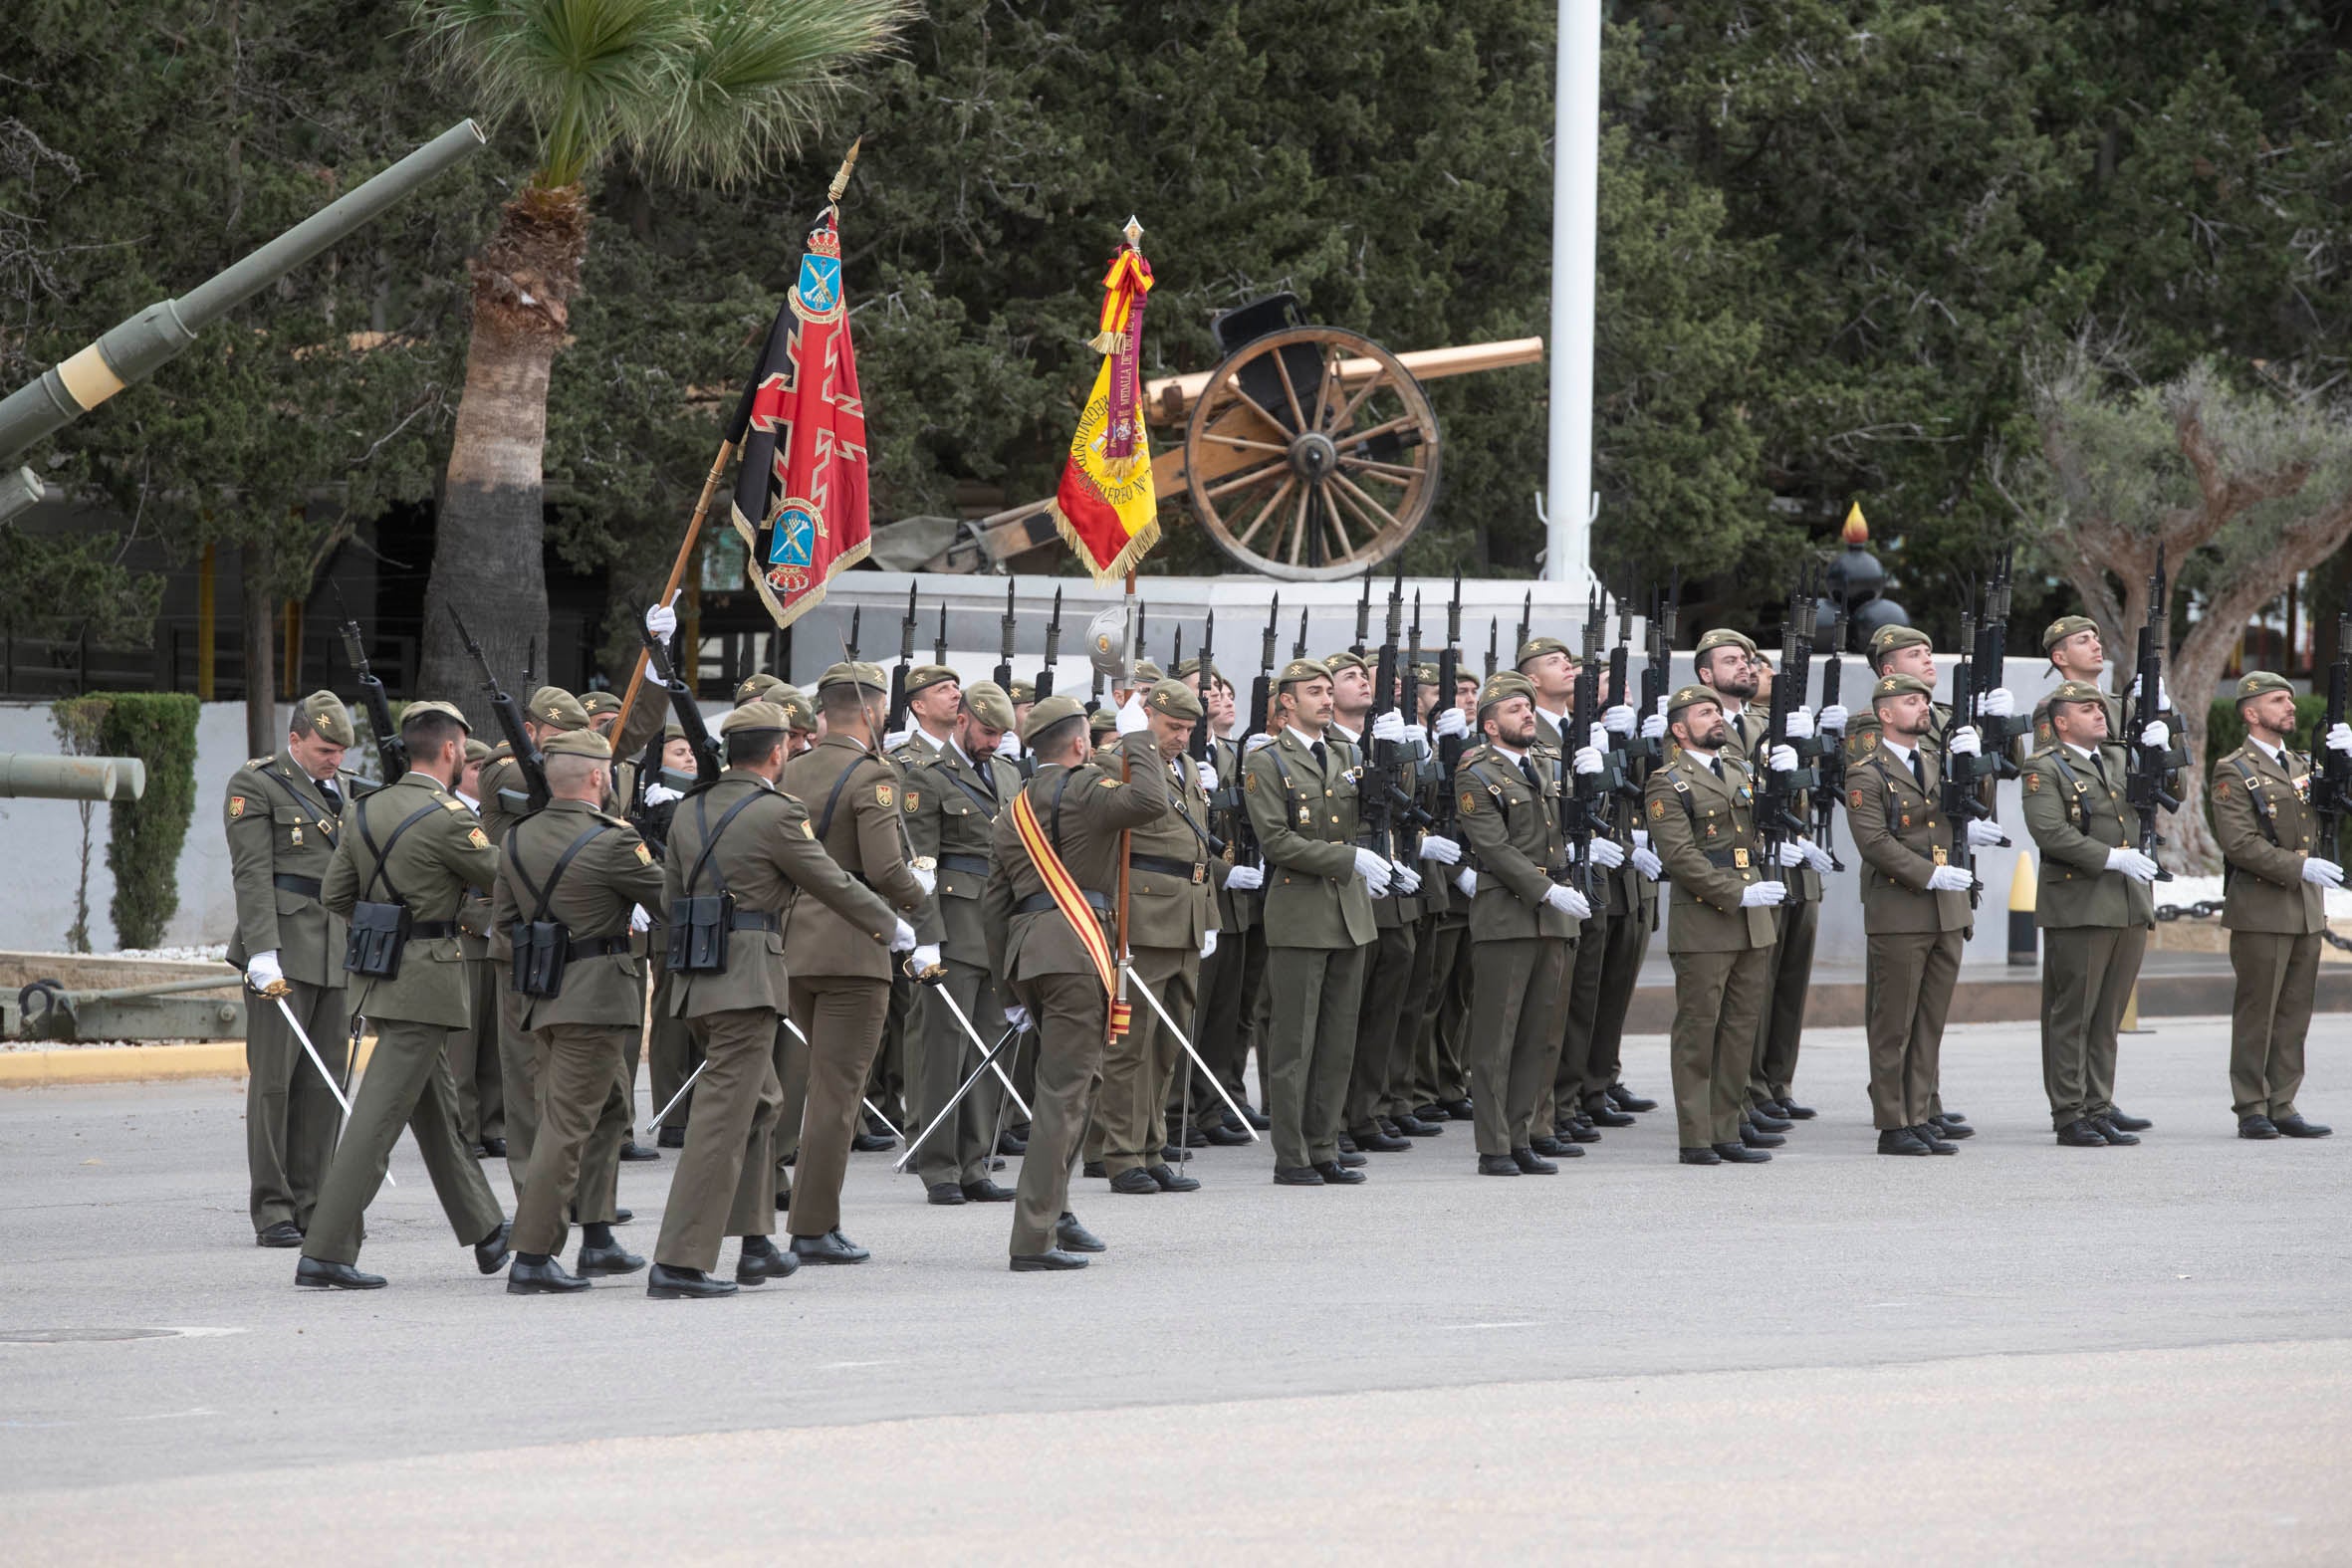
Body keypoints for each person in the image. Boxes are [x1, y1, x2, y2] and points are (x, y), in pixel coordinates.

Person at [652, 701, 912, 1298]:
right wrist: (890, 926)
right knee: (723, 1118)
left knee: (764, 1101)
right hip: (746, 974)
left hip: (697, 972)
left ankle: (755, 1243)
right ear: (776, 753)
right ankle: (679, 1261)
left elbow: (669, 898)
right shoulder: (773, 813)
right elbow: (828, 878)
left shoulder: (690, 809)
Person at [301, 701, 512, 1288]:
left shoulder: (366, 810)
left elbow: (336, 895)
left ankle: (487, 1230)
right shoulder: (447, 817)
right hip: (426, 980)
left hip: (380, 974)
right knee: (376, 1120)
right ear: (450, 750)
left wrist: (393, 922)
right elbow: (505, 877)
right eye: (465, 747)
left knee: (436, 1111)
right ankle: (326, 1250)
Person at [981, 692, 1170, 1269]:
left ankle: (1056, 1210)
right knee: (1064, 1096)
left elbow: (993, 904)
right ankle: (1033, 1236)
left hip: (1030, 955)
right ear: (1083, 743)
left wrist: (1007, 986)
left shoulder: (1012, 808)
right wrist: (1138, 738)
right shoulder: (1088, 787)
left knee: (1077, 1084)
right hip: (1078, 947)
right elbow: (1151, 801)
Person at [492, 729, 667, 1292]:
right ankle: (533, 1253)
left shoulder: (518, 837)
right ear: (597, 776)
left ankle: (597, 1234)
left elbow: (504, 922)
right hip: (596, 1001)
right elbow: (668, 901)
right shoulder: (614, 840)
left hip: (545, 992)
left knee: (610, 1111)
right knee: (567, 1126)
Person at [780, 664, 936, 1265]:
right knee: (837, 1094)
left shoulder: (790, 768)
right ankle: (814, 1226)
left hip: (795, 943)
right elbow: (886, 869)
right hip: (852, 944)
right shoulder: (874, 774)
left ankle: (784, 1206)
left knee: (797, 1084)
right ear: (872, 711)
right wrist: (925, 898)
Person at [1243, 658, 1389, 1187]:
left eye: (1330, 691)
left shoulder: (1349, 753)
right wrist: (1347, 859)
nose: (1327, 699)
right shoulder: (1267, 761)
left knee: (1337, 1040)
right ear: (1287, 702)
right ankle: (1293, 1154)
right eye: (1315, 692)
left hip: (1350, 914)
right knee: (1294, 1042)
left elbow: (1373, 816)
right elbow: (1277, 842)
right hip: (1300, 912)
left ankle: (1325, 1145)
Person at [225, 691, 356, 1248]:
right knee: (275, 1084)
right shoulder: (255, 784)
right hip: (282, 947)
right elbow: (252, 872)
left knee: (323, 1084)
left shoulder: (342, 790)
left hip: (335, 947)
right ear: (296, 739)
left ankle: (315, 1200)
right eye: (325, 749)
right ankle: (274, 1206)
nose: (335, 759)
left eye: (341, 751)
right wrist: (260, 950)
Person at [2019, 680, 2175, 1147]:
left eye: (2100, 706)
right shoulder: (2044, 767)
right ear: (2061, 722)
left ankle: (2099, 1104)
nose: (2100, 713)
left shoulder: (2119, 758)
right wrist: (2111, 858)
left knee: (2107, 1016)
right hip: (2081, 904)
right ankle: (2070, 1112)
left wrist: (2165, 742)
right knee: (2075, 1014)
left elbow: (2174, 789)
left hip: (2128, 901)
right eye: (2087, 709)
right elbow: (2050, 831)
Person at [1644, 685, 1789, 1166]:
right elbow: (1679, 857)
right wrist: (1737, 892)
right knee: (1699, 1031)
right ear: (1679, 729)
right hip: (1707, 921)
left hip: (1753, 921)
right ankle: (1696, 1135)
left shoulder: (1741, 770)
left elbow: (1755, 834)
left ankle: (1727, 1127)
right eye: (1704, 713)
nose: (1716, 718)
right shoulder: (1667, 782)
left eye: (1717, 711)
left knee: (1740, 1030)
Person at [1452, 672, 1589, 1174]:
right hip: (1507, 914)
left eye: (1529, 708)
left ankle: (1523, 1133)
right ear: (1490, 725)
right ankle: (1493, 1146)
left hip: (1551, 916)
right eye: (1514, 710)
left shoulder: (1544, 766)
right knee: (1496, 1037)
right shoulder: (1476, 772)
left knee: (1538, 1033)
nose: (1528, 714)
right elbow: (1494, 847)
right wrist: (1547, 889)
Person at [1846, 674, 1987, 1155]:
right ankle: (1892, 1122)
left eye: (1924, 700)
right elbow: (1875, 843)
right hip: (1901, 908)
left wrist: (1975, 764)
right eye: (1911, 701)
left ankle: (1920, 1112)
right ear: (1885, 714)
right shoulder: (1866, 772)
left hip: (1947, 910)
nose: (1922, 707)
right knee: (1894, 1024)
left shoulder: (1934, 761)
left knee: (1929, 1022)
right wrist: (1929, 875)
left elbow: (1972, 809)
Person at [899, 679, 1024, 1204]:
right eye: (988, 732)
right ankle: (940, 1166)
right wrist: (924, 936)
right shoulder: (925, 776)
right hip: (951, 929)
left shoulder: (1008, 773)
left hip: (999, 930)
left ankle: (975, 1163)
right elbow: (919, 865)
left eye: (1001, 735)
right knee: (943, 1050)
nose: (994, 743)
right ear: (963, 719)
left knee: (987, 1053)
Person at [1094, 678, 1219, 1194]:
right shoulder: (1114, 762)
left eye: (1189, 729)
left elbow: (1197, 850)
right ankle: (1120, 1155)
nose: (1181, 738)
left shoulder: (1185, 767)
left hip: (1186, 915)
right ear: (1145, 717)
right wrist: (1134, 743)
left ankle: (1152, 1146)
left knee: (1169, 1044)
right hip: (1143, 918)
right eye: (1172, 727)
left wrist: (1208, 916)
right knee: (1131, 1044)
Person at [2210, 671, 2345, 1140]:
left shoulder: (2303, 764)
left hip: (2305, 908)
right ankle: (2251, 1105)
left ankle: (2283, 1102)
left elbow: (2336, 807)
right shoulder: (2234, 769)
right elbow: (2239, 843)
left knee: (2293, 1012)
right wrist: (2298, 867)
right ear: (2251, 713)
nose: (2290, 706)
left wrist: (2345, 761)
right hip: (2262, 907)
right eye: (2278, 700)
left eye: (2290, 698)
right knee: (2258, 1011)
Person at [448, 736, 505, 1158]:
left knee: (495, 1040)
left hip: (497, 938)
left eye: (489, 769)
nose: (482, 775)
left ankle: (493, 1125)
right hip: (465, 937)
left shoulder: (498, 816)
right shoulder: (448, 816)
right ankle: (463, 1129)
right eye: (474, 768)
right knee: (463, 1046)